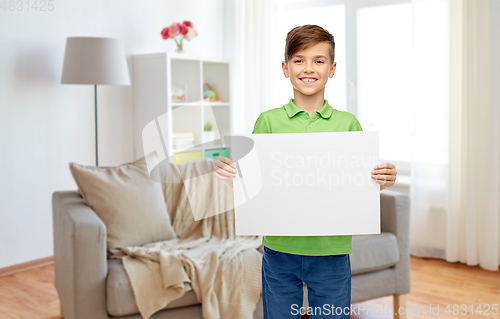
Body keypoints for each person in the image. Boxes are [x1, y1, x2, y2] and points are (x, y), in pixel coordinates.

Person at [214, 24, 397, 318]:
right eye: (299, 60)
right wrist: (229, 173)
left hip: (332, 251)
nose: (308, 68)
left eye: (319, 60)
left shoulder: (348, 124)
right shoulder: (268, 122)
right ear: (285, 68)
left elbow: (359, 182)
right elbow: (252, 182)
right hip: (279, 250)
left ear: (332, 68)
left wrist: (381, 179)